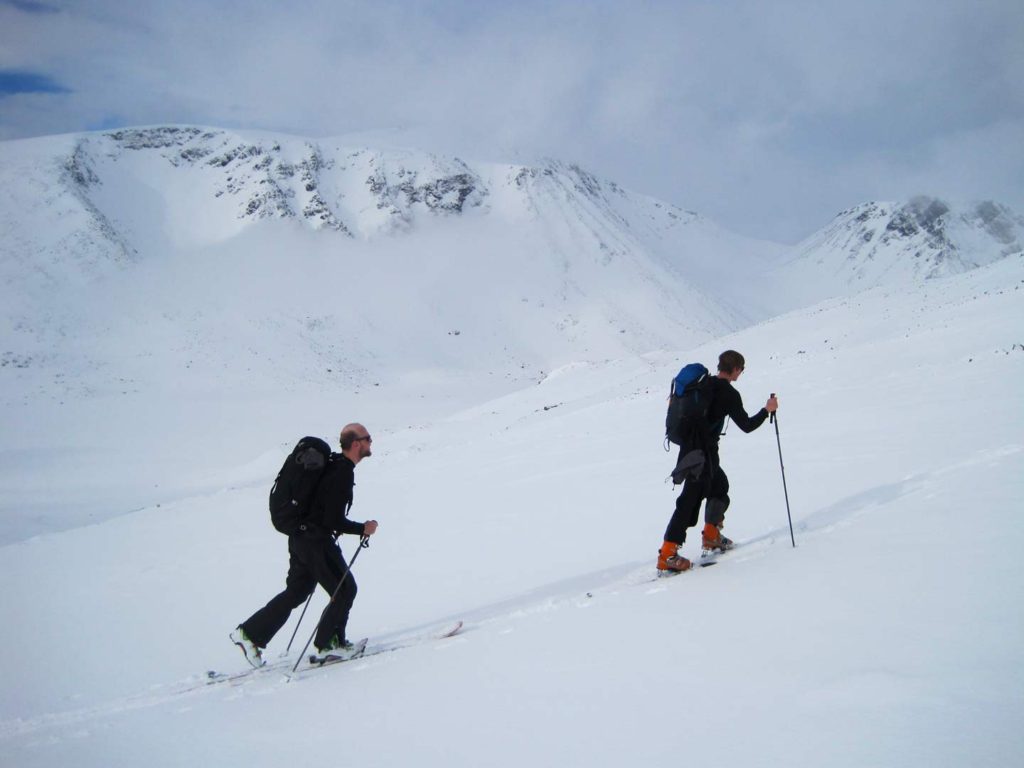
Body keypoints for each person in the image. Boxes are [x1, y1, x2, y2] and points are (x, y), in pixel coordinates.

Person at [230, 423, 379, 666]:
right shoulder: (341, 471)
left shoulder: (334, 467)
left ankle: (250, 634)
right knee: (344, 589)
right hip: (314, 541)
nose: (371, 442)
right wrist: (363, 528)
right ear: (356, 444)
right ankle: (329, 645)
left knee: (298, 591)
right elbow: (332, 519)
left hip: (301, 539)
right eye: (368, 438)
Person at [657, 351, 778, 573]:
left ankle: (711, 536)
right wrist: (766, 410)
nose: (740, 373)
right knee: (688, 501)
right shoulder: (729, 394)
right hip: (701, 455)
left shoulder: (705, 385)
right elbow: (747, 425)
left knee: (720, 486)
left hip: (694, 450)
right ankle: (667, 554)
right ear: (736, 370)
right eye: (741, 369)